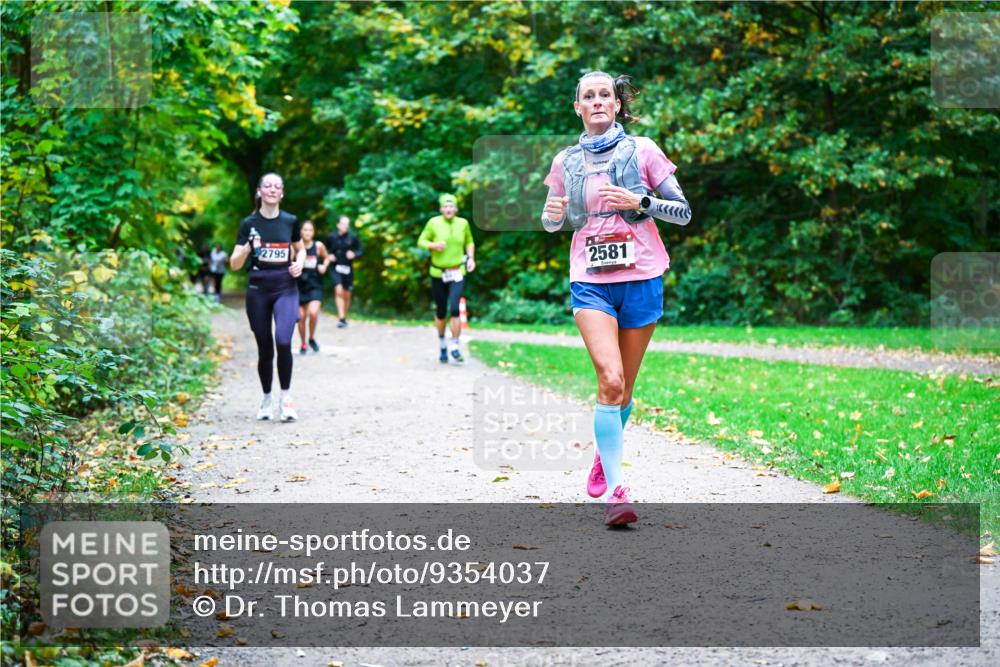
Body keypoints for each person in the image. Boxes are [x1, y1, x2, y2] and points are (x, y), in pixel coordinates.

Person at [541, 71, 692, 525]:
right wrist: (550, 217)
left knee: (624, 388)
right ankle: (617, 490)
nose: (598, 101)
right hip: (590, 280)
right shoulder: (565, 161)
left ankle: (603, 455)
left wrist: (639, 201)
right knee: (610, 380)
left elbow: (682, 213)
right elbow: (557, 221)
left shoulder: (643, 150)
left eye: (605, 94)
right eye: (589, 96)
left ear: (617, 103)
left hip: (643, 276)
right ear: (578, 107)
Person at [229, 172, 305, 422]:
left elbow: (300, 249)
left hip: (285, 286)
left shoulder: (290, 220)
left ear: (282, 193)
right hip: (258, 289)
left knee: (283, 341)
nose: (272, 190)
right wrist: (247, 249)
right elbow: (234, 264)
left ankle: (286, 398)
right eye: (267, 186)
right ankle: (266, 398)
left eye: (277, 186)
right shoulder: (248, 223)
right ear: (260, 191)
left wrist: (300, 263)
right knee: (265, 347)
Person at [417, 194, 475, 363]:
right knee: (441, 311)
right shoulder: (433, 223)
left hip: (457, 271)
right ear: (441, 209)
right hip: (438, 273)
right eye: (445, 207)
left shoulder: (463, 223)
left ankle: (455, 346)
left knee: (455, 308)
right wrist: (433, 245)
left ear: (456, 209)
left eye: (451, 207)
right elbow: (421, 241)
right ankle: (442, 343)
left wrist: (470, 258)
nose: (448, 209)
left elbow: (469, 242)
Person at [323, 215, 362, 328]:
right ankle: (341, 318)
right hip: (336, 268)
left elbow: (360, 251)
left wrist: (354, 254)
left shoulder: (353, 237)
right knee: (338, 290)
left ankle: (344, 317)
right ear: (338, 224)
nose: (345, 226)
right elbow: (323, 251)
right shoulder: (331, 237)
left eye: (347, 224)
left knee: (347, 294)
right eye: (343, 223)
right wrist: (329, 256)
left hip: (348, 269)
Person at [296, 220, 329, 354]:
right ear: (301, 232)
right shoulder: (296, 246)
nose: (307, 232)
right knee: (301, 317)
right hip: (298, 285)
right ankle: (303, 343)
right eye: (305, 229)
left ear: (313, 232)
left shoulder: (318, 246)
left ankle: (312, 338)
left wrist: (324, 266)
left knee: (314, 313)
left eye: (310, 230)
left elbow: (327, 258)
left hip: (314, 284)